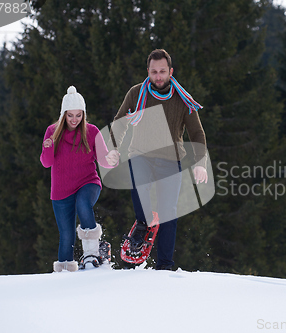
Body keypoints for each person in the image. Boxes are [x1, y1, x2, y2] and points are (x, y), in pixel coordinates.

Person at [108, 49, 208, 270]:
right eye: (154, 72)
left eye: (163, 71)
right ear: (148, 71)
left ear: (170, 71)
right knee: (140, 187)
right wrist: (114, 149)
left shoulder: (183, 99)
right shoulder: (136, 94)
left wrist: (200, 163)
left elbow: (197, 134)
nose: (158, 76)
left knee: (168, 212)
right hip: (140, 155)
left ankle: (164, 265)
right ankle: (143, 224)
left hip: (171, 160)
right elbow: (120, 122)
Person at [40, 86, 118, 272]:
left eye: (78, 115)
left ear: (83, 114)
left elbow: (103, 159)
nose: (74, 120)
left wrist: (112, 160)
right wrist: (48, 147)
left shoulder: (91, 131)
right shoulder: (52, 131)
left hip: (88, 182)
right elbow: (46, 162)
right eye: (70, 116)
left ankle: (92, 254)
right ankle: (65, 272)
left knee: (83, 203)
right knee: (66, 235)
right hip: (61, 191)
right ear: (63, 115)